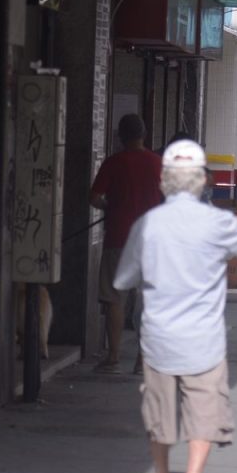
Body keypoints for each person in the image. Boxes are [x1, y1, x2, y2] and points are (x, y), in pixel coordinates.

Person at [114, 139, 237, 473]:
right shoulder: (216, 221)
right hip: (204, 342)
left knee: (160, 415)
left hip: (158, 340)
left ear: (164, 179)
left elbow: (123, 279)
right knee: (204, 415)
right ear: (202, 180)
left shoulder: (148, 223)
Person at [90, 114, 163, 374]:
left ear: (120, 136)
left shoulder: (114, 162)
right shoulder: (158, 164)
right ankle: (142, 360)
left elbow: (95, 197)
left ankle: (113, 357)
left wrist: (111, 206)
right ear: (144, 135)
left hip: (119, 238)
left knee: (114, 299)